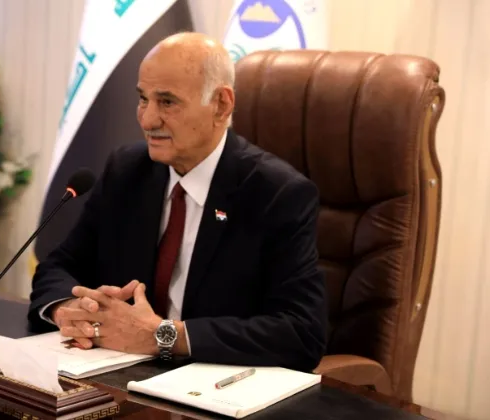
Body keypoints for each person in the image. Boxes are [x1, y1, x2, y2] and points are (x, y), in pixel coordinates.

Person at [28, 32, 327, 372]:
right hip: (118, 372)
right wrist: (69, 310)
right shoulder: (127, 171)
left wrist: (164, 336)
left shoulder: (276, 194)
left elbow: (301, 332)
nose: (147, 120)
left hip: (211, 386)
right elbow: (59, 265)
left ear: (221, 105)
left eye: (167, 102)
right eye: (143, 99)